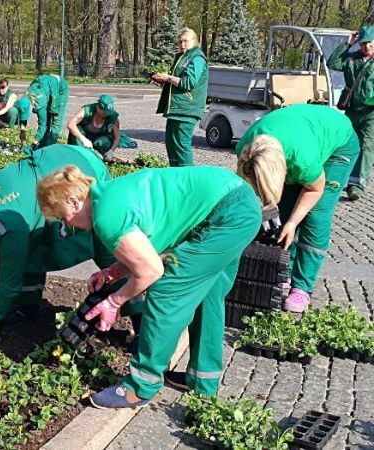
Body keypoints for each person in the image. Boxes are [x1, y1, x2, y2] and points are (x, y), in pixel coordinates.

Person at [37, 165, 261, 408]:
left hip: (226, 217)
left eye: (62, 217)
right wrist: (114, 271)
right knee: (206, 294)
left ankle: (140, 387)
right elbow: (148, 249)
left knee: (167, 291)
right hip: (236, 205)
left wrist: (114, 302)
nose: (67, 224)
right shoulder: (109, 195)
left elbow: (152, 271)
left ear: (73, 202)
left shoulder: (105, 216)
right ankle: (202, 381)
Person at [0, 144, 143, 344]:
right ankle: (29, 307)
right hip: (55, 158)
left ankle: (141, 324)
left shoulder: (12, 231)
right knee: (33, 247)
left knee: (106, 247)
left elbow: (9, 284)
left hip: (77, 171)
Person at [236, 104, 359, 313]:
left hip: (339, 144)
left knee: (315, 216)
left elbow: (314, 189)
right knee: (283, 209)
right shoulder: (246, 150)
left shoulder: (303, 160)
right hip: (300, 135)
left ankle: (302, 286)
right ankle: (284, 268)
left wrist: (293, 223)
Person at [328, 25, 374, 201]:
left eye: (369, 43)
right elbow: (333, 63)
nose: (366, 47)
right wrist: (347, 45)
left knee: (366, 146)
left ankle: (356, 186)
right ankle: (338, 178)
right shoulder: (351, 60)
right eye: (363, 44)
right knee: (347, 144)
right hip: (352, 110)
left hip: (371, 112)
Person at [152, 28, 208, 167]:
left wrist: (168, 77)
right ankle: (175, 174)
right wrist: (163, 82)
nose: (182, 44)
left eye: (185, 41)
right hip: (176, 109)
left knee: (182, 146)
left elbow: (188, 83)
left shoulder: (197, 58)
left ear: (194, 41)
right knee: (171, 144)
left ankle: (187, 178)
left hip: (187, 109)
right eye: (180, 41)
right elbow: (177, 82)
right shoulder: (182, 57)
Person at [67, 95, 120, 162]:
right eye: (104, 112)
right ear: (98, 108)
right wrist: (83, 139)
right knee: (77, 131)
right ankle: (80, 156)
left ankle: (104, 158)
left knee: (104, 141)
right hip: (84, 137)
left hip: (99, 139)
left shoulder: (113, 117)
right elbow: (70, 124)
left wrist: (111, 151)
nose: (107, 114)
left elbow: (117, 137)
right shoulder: (87, 110)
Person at [26, 74, 70, 149]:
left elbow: (43, 126)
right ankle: (42, 144)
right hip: (48, 91)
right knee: (45, 119)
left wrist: (35, 142)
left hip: (60, 91)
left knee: (56, 122)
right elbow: (42, 124)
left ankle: (50, 147)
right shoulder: (31, 93)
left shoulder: (40, 102)